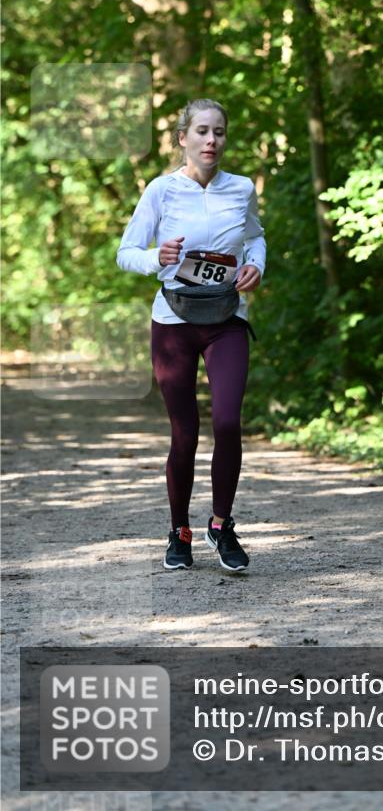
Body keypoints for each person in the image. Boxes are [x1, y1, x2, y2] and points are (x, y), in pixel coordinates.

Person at [116, 98, 266, 574]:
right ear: (183, 138)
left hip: (226, 321)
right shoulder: (161, 191)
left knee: (226, 423)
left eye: (219, 132)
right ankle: (179, 530)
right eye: (202, 131)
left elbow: (256, 236)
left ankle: (221, 525)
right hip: (174, 321)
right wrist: (155, 258)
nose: (211, 141)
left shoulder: (241, 189)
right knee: (185, 434)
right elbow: (125, 252)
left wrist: (255, 265)